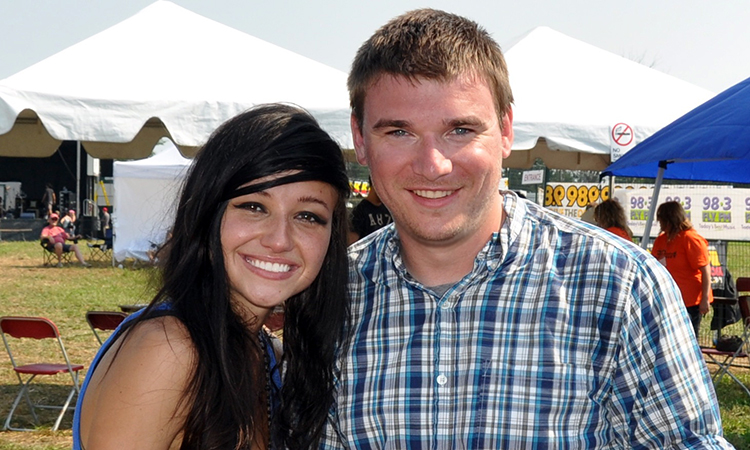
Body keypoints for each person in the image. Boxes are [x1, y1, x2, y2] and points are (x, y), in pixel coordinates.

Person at [321, 9, 732, 448]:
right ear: (359, 139)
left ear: (505, 131)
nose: (432, 165)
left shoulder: (620, 287)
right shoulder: (330, 296)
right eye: (399, 132)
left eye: (460, 129)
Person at [73, 104, 351, 449]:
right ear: (207, 212)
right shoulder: (170, 349)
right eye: (253, 207)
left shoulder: (269, 355)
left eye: (308, 216)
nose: (279, 240)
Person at [652, 201, 713, 338]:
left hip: (690, 301)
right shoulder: (661, 240)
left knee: (687, 338)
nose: (660, 223)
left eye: (662, 219)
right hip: (667, 299)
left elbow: (705, 270)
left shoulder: (690, 239)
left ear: (670, 219)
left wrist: (704, 298)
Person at [347, 177, 392, 244]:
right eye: (385, 187)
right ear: (375, 184)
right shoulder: (359, 211)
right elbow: (352, 243)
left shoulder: (390, 210)